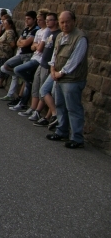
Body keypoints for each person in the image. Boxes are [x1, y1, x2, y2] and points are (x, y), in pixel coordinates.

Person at [46, 11, 89, 149]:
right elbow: (55, 54)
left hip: (73, 79)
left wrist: (61, 72)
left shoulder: (80, 37)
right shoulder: (59, 36)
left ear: (74, 21)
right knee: (60, 105)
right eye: (62, 22)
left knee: (73, 108)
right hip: (59, 77)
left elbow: (75, 60)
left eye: (67, 21)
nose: (65, 24)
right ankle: (61, 131)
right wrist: (52, 69)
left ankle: (77, 138)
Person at [0, 15, 18, 88]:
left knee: (1, 68)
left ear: (10, 25)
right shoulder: (6, 31)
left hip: (4, 54)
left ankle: (0, 82)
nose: (4, 25)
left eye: (5, 24)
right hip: (0, 53)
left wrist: (4, 46)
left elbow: (12, 44)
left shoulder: (10, 32)